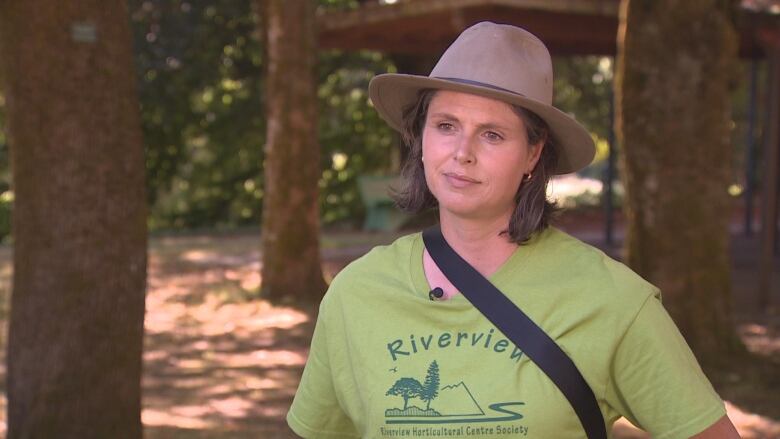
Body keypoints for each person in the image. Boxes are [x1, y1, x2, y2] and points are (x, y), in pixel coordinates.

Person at [287, 22, 740, 439]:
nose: (461, 152)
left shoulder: (613, 301)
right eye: (446, 126)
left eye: (492, 135)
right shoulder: (355, 295)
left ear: (532, 155)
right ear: (420, 138)